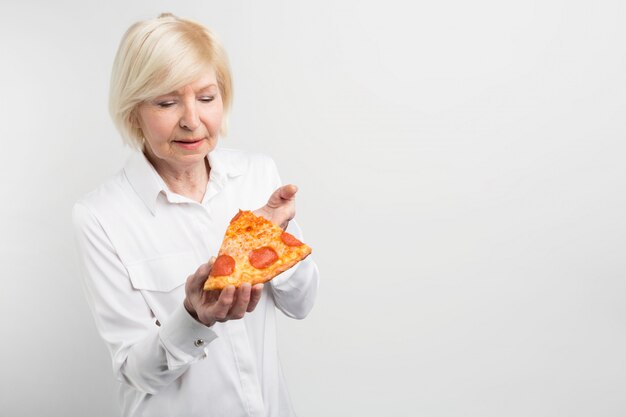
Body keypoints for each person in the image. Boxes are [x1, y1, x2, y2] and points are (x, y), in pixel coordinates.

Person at [72, 13, 319, 417]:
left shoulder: (258, 174)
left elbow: (302, 304)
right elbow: (136, 372)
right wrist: (192, 319)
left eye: (206, 98)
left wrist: (270, 245)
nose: (192, 120)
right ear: (133, 111)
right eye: (167, 102)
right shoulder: (100, 216)